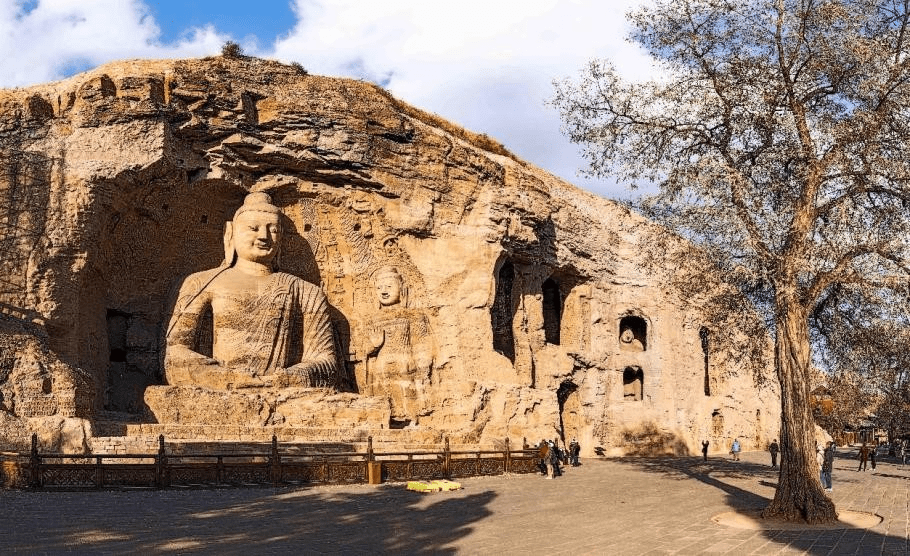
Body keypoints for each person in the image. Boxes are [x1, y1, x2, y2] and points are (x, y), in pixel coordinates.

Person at [165, 192, 338, 390]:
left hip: (281, 390)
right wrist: (227, 378)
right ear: (230, 232)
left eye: (273, 230)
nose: (264, 236)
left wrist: (289, 377)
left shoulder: (306, 292)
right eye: (253, 228)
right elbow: (175, 356)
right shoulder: (202, 283)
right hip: (222, 389)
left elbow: (326, 364)